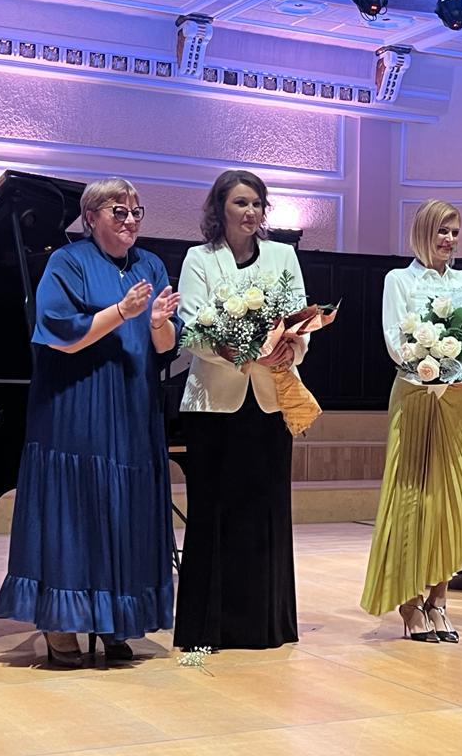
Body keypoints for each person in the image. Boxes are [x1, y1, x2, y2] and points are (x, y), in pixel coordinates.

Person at [0, 177, 182, 667]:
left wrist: (158, 322)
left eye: (136, 212)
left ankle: (116, 619)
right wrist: (122, 311)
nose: (130, 220)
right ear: (91, 217)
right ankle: (61, 623)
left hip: (133, 405)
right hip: (76, 406)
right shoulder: (67, 262)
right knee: (77, 508)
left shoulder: (150, 264)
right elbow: (63, 335)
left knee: (125, 509)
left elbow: (165, 348)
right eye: (119, 211)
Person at [361, 199, 462, 642]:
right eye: (441, 231)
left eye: (454, 232)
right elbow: (396, 344)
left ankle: (439, 600)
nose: (448, 240)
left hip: (458, 402)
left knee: (453, 499)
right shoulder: (399, 279)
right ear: (423, 232)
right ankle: (409, 603)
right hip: (415, 397)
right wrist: (437, 364)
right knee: (412, 498)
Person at [173, 170, 307, 651]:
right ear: (220, 209)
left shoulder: (283, 256)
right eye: (240, 203)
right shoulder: (199, 258)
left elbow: (300, 321)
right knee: (212, 510)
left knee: (266, 509)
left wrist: (291, 346)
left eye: (256, 204)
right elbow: (191, 326)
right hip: (213, 402)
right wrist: (236, 351)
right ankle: (207, 628)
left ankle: (266, 626)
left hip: (268, 401)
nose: (250, 212)